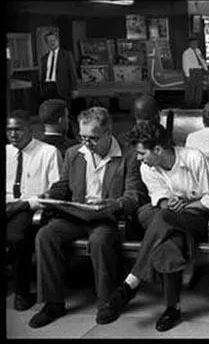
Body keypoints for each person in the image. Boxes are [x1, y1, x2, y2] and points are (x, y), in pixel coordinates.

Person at [28, 107, 148, 328]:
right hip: (76, 214)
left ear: (108, 132)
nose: (86, 143)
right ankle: (52, 303)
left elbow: (135, 196)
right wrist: (49, 195)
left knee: (100, 240)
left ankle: (107, 303)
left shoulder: (128, 156)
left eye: (92, 138)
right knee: (45, 235)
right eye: (82, 137)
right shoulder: (74, 153)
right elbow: (64, 186)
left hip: (107, 217)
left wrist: (114, 204)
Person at [100, 122, 209, 331]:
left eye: (141, 153)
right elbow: (160, 199)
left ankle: (132, 281)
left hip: (197, 217)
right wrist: (170, 203)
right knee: (169, 240)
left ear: (157, 149)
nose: (138, 158)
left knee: (163, 222)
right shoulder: (147, 168)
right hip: (168, 219)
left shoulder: (194, 158)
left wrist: (184, 204)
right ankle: (171, 308)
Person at [6, 109, 62, 312]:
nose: (13, 135)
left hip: (33, 207)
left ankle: (21, 292)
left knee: (17, 236)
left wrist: (24, 204)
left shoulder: (47, 152)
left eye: (18, 130)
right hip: (7, 205)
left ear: (31, 130)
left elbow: (57, 190)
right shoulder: (6, 152)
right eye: (9, 130)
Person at [39, 30, 79, 138]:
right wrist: (42, 89)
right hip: (48, 88)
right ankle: (53, 135)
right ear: (46, 43)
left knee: (64, 113)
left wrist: (75, 88)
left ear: (57, 41)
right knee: (50, 113)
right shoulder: (44, 58)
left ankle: (70, 137)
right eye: (49, 41)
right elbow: (42, 75)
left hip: (62, 88)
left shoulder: (66, 55)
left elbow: (72, 72)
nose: (52, 43)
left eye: (54, 40)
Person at [182, 36, 209, 108]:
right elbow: (185, 64)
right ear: (190, 44)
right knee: (191, 88)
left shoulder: (198, 51)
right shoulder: (186, 53)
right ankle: (190, 104)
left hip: (199, 71)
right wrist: (187, 75)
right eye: (194, 43)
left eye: (196, 43)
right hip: (191, 71)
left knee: (199, 88)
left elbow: (202, 60)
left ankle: (197, 103)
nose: (195, 44)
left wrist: (206, 69)